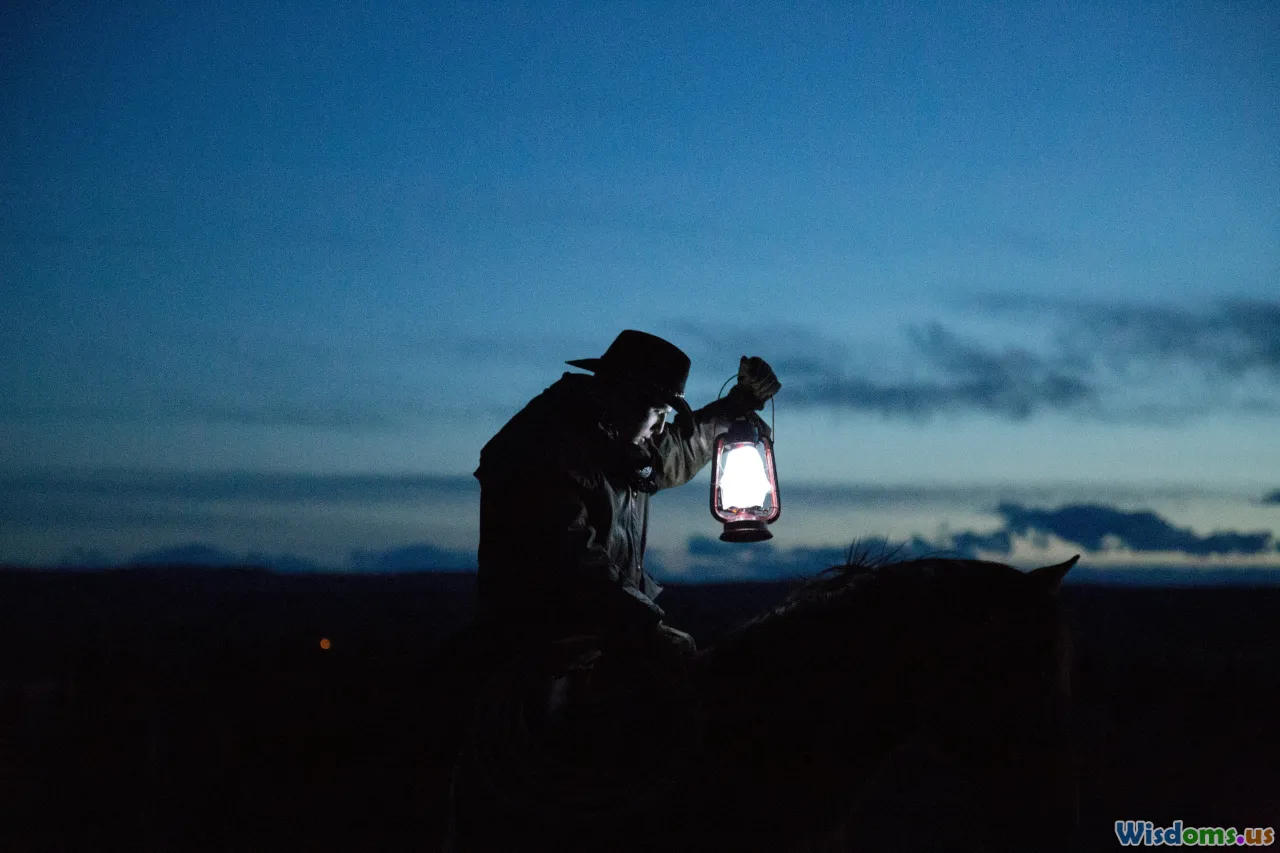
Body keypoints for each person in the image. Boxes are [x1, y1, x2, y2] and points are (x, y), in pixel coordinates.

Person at [469, 329, 781, 664]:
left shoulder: (618, 440)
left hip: (605, 630)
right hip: (542, 645)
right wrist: (645, 624)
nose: (662, 427)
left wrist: (736, 407)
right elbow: (570, 562)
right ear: (623, 395)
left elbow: (677, 450)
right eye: (659, 412)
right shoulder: (545, 447)